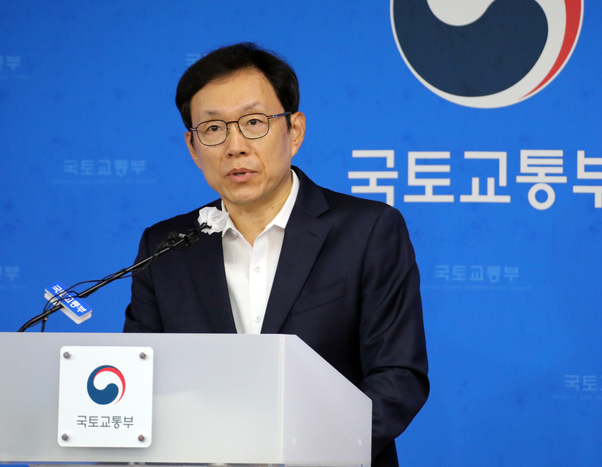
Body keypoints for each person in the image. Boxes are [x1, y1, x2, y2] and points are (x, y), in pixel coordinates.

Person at [123, 42, 429, 467]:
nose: (235, 146)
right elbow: (141, 380)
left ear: (294, 131)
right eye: (213, 128)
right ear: (193, 147)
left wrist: (290, 447)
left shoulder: (368, 230)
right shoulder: (166, 246)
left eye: (253, 122)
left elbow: (398, 378)